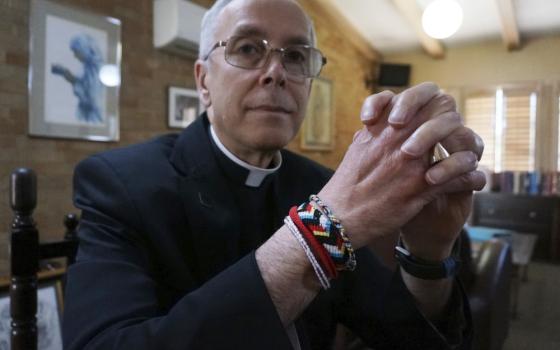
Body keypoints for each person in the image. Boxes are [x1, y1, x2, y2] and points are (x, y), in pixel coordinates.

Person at [62, 0, 485, 349]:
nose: (276, 72)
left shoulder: (321, 184)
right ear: (203, 81)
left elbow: (407, 337)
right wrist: (318, 233)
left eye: (296, 56)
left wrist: (428, 254)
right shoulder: (120, 184)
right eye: (247, 49)